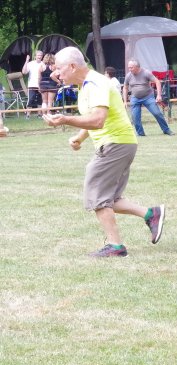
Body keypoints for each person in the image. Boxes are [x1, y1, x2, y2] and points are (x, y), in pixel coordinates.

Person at [43, 47, 166, 257]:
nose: (57, 75)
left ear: (73, 66)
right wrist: (80, 138)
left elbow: (98, 120)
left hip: (115, 143)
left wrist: (65, 119)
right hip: (120, 143)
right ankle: (151, 214)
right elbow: (94, 118)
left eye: (60, 70)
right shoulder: (85, 85)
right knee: (110, 199)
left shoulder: (96, 83)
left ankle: (115, 246)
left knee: (96, 195)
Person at [122, 59, 174, 136]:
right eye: (129, 67)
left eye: (131, 67)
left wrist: (159, 95)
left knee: (157, 113)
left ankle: (166, 130)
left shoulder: (146, 73)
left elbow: (157, 81)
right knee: (135, 117)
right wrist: (125, 101)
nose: (129, 69)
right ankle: (140, 133)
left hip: (148, 97)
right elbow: (125, 88)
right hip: (135, 98)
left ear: (137, 67)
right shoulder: (128, 75)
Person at [22, 50, 44, 119]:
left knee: (40, 100)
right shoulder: (30, 63)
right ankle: (28, 115)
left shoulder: (43, 64)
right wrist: (26, 61)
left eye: (40, 55)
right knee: (31, 99)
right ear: (35, 56)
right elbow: (24, 72)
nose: (39, 57)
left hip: (41, 85)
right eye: (38, 55)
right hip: (32, 84)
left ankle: (39, 115)